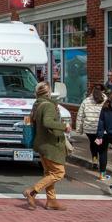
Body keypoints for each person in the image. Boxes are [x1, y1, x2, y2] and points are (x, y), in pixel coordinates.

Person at [23, 82, 71, 211]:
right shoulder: (48, 105)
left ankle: (51, 200)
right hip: (51, 145)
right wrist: (64, 126)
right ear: (48, 93)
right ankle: (32, 191)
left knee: (49, 173)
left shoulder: (37, 104)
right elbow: (47, 122)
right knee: (59, 173)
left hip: (41, 144)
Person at [75, 84, 107, 179]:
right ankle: (102, 174)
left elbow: (80, 115)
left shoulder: (86, 101)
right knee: (102, 150)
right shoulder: (106, 100)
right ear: (103, 91)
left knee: (93, 144)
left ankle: (94, 160)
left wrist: (79, 129)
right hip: (102, 130)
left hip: (89, 129)